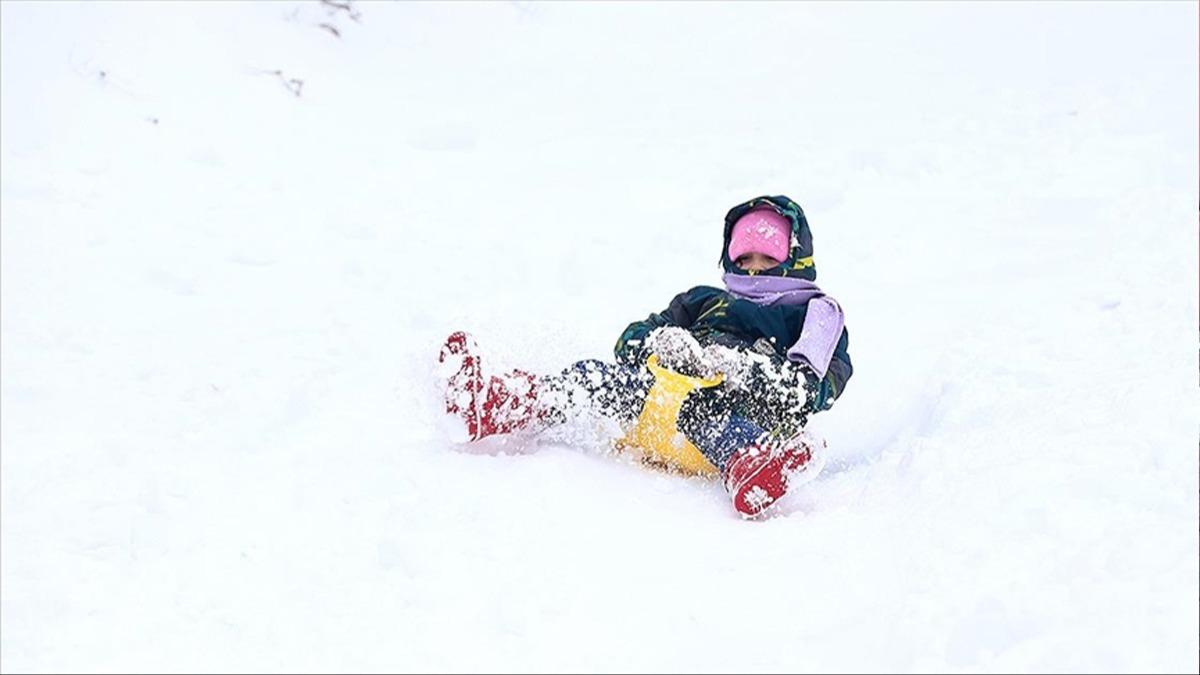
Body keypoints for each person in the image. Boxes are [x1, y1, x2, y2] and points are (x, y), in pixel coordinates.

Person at [438, 195, 853, 517]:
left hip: (725, 426)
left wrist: (741, 370)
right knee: (592, 377)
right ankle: (503, 403)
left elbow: (808, 393)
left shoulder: (814, 316)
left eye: (768, 258)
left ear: (795, 259)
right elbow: (630, 340)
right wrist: (661, 342)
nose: (754, 270)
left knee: (713, 416)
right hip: (653, 407)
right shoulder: (703, 300)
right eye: (744, 258)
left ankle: (752, 471)